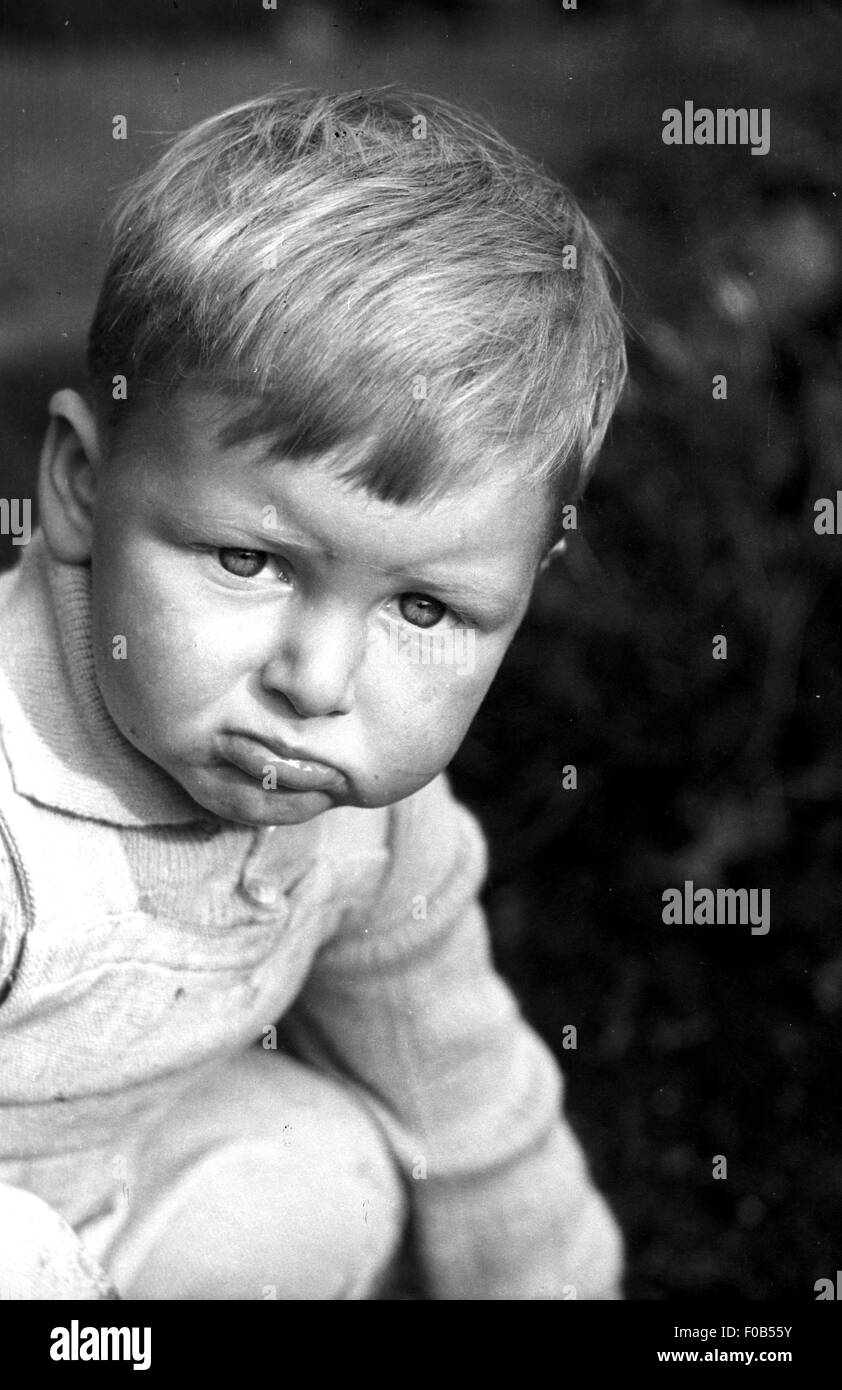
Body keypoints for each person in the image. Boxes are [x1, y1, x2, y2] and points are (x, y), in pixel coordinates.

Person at [0, 86, 626, 1300]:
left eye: (425, 608)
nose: (316, 683)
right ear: (80, 487)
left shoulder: (371, 815)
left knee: (327, 1171)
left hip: (98, 1202)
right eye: (249, 562)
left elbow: (459, 1087)